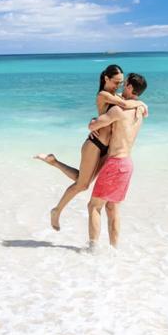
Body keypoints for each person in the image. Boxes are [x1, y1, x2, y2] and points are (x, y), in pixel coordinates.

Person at [34, 65, 148, 231]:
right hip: (94, 145)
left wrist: (138, 104)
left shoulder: (115, 96)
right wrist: (142, 103)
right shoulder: (103, 95)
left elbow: (120, 108)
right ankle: (56, 211)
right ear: (106, 79)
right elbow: (124, 104)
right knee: (82, 185)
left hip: (107, 150)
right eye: (116, 81)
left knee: (83, 181)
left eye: (121, 82)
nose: (118, 85)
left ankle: (54, 161)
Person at [86, 73, 147, 249]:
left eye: (124, 84)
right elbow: (130, 102)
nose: (120, 87)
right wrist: (140, 102)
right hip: (127, 164)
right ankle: (114, 249)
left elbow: (93, 127)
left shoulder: (118, 110)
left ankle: (93, 249)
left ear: (129, 88)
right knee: (112, 208)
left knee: (94, 206)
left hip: (115, 163)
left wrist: (92, 121)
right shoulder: (140, 110)